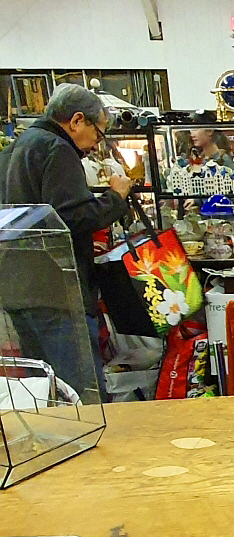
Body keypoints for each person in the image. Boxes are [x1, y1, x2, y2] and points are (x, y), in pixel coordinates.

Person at [0, 84, 134, 398]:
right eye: (98, 133)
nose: (96, 143)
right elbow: (73, 218)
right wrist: (116, 197)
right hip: (57, 291)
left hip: (18, 288)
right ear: (76, 121)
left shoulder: (15, 149)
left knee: (45, 392)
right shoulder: (57, 149)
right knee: (82, 392)